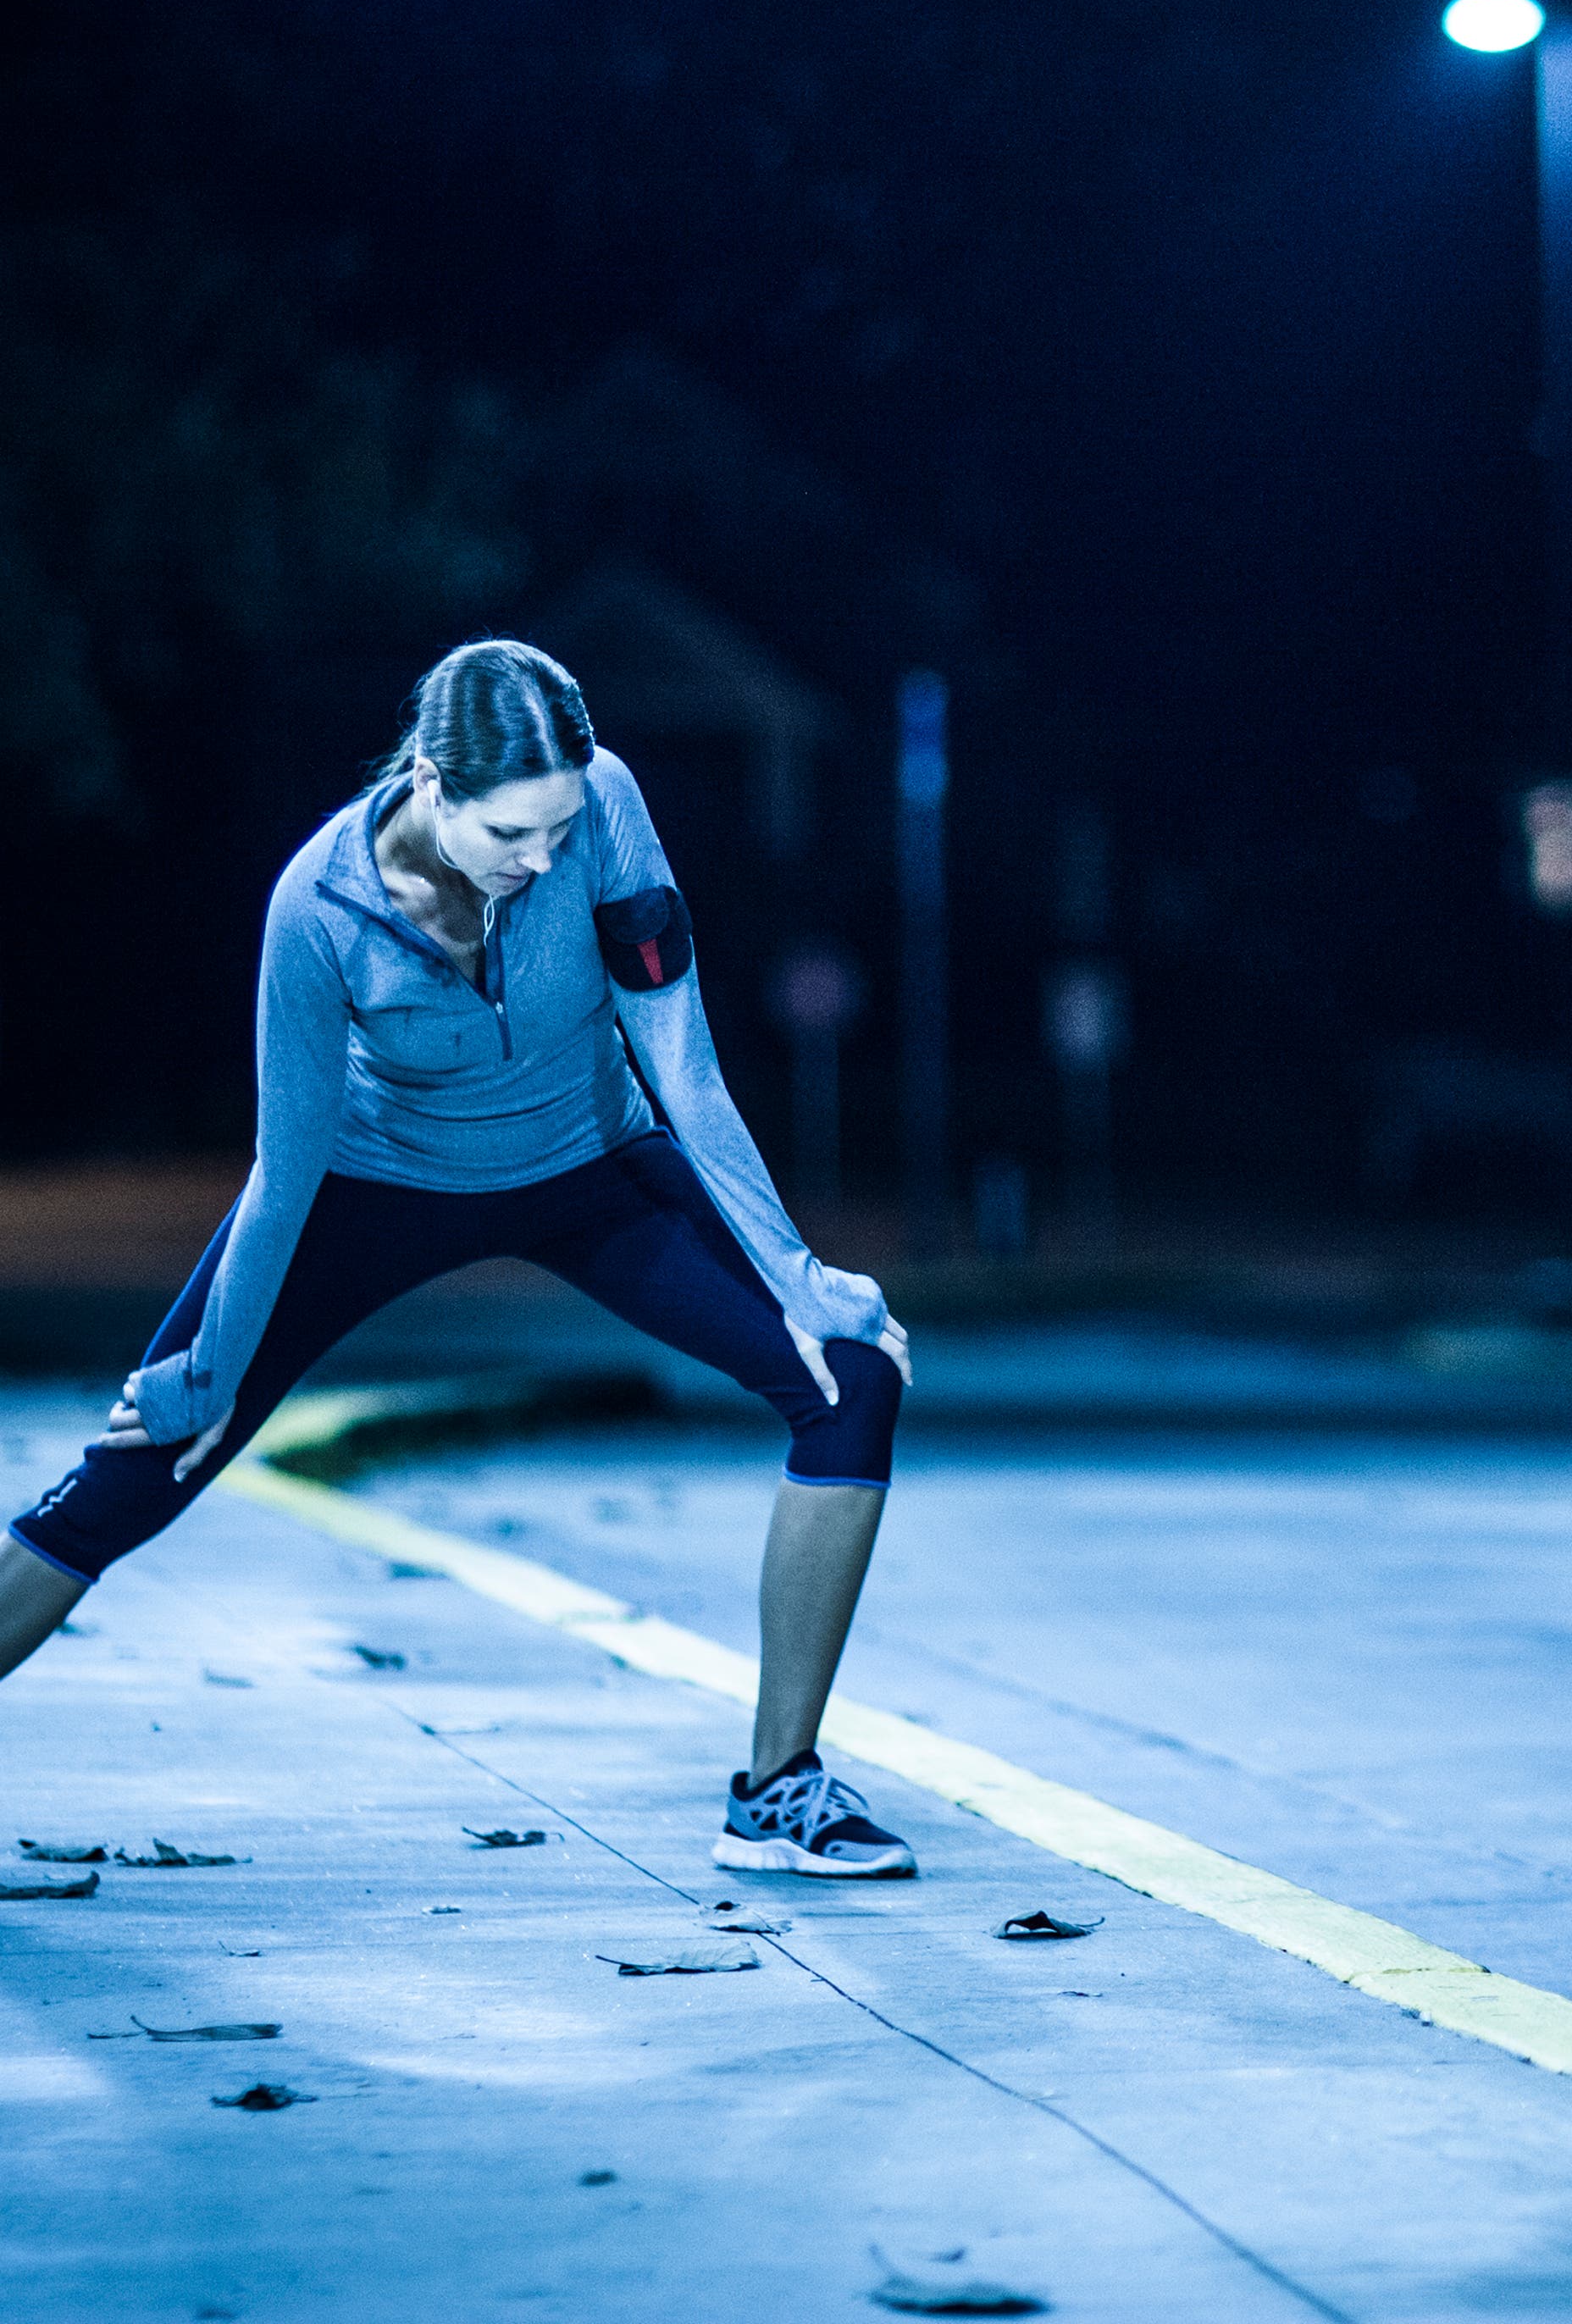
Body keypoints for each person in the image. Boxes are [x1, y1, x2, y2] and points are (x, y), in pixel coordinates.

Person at [0, 638, 920, 1879]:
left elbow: (684, 1065)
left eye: (559, 829)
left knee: (850, 1376)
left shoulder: (605, 804)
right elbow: (285, 1168)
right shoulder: (318, 910)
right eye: (509, 835)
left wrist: (801, 1274)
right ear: (432, 783)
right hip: (376, 1184)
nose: (541, 858)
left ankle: (776, 1791)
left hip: (593, 1163)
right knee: (142, 1464)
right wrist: (209, 1370)